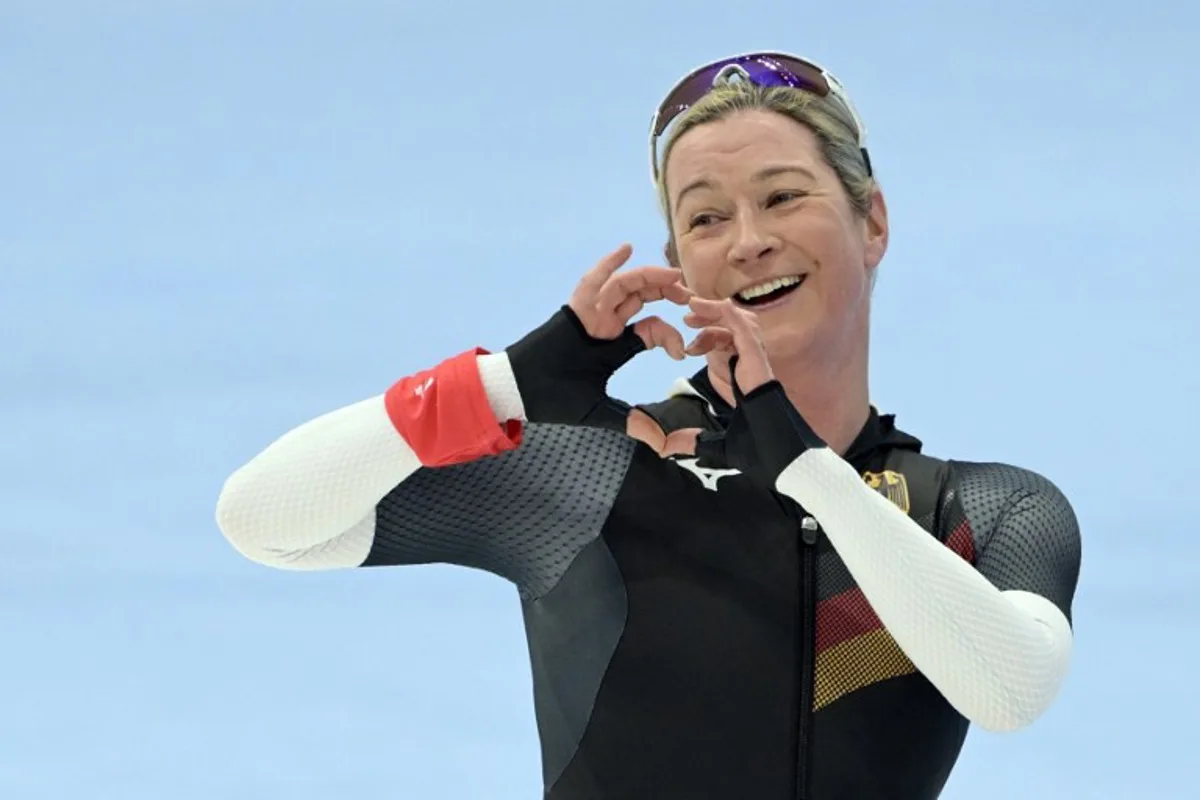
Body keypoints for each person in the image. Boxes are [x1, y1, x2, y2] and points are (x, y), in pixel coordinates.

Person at [215, 51, 1082, 799]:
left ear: (874, 222)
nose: (748, 240)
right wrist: (504, 382)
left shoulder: (980, 510)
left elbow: (1009, 688)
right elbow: (262, 520)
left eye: (783, 196)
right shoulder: (592, 472)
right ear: (679, 267)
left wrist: (804, 464)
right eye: (705, 217)